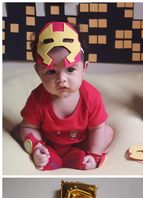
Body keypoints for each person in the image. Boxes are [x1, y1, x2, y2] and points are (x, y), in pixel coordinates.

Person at [16, 22, 113, 170]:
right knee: (20, 131)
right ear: (38, 72)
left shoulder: (91, 96)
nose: (61, 79)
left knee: (106, 131)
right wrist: (36, 146)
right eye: (51, 71)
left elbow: (97, 128)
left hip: (82, 142)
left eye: (71, 69)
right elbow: (29, 126)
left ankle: (84, 157)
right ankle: (47, 157)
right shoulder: (37, 99)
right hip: (49, 143)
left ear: (84, 68)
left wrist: (94, 154)